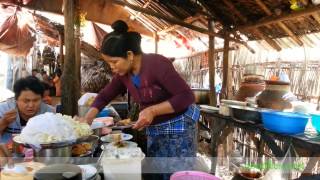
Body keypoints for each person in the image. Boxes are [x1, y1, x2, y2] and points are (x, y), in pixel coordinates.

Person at [82, 20, 200, 179]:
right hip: (156, 129)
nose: (112, 67)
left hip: (179, 128)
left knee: (175, 175)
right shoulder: (123, 75)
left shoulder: (157, 64)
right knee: (157, 173)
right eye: (108, 63)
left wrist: (152, 110)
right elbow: (104, 95)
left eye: (114, 61)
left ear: (129, 55)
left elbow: (186, 96)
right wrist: (88, 118)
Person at [0, 76, 54, 143]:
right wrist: (3, 122)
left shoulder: (48, 113)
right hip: (8, 152)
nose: (31, 105)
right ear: (16, 99)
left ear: (42, 99)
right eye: (26, 101)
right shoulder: (4, 110)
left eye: (35, 100)